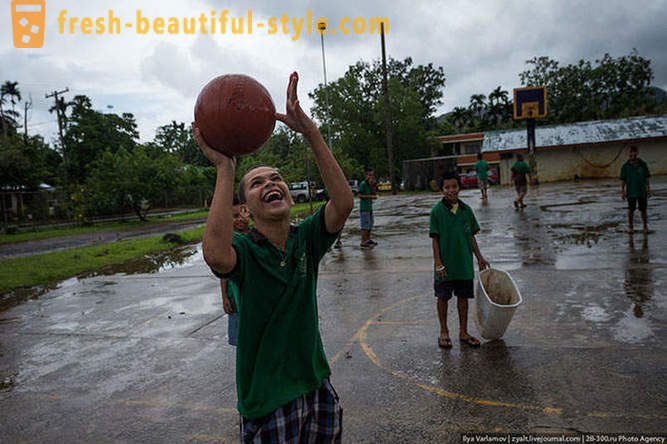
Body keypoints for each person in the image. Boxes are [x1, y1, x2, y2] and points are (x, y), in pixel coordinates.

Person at [193, 72, 353, 443]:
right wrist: (225, 168)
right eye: (257, 183)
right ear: (246, 208)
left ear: (289, 196)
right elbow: (216, 255)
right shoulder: (246, 252)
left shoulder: (306, 241)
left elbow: (343, 203)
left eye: (276, 178)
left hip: (316, 386)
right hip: (267, 400)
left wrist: (310, 132)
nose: (271, 184)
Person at [429, 171, 489, 349]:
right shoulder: (436, 212)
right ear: (442, 190)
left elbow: (471, 236)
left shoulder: (466, 211)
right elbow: (435, 240)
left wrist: (479, 257)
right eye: (447, 187)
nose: (451, 190)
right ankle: (444, 332)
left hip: (464, 265)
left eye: (454, 186)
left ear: (459, 188)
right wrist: (438, 263)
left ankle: (463, 332)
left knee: (463, 298)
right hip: (445, 267)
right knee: (443, 298)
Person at [220, 196, 249, 346]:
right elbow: (223, 273)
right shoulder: (228, 241)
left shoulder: (255, 237)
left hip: (253, 299)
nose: (240, 220)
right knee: (240, 343)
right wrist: (224, 296)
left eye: (244, 215)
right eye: (235, 216)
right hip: (235, 298)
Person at [620, 145, 651, 234]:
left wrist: (648, 189)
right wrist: (622, 192)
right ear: (628, 153)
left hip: (641, 191)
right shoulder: (625, 166)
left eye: (634, 152)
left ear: (637, 153)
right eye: (630, 152)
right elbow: (623, 180)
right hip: (630, 191)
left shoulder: (642, 164)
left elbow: (646, 178)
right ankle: (630, 227)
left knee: (643, 210)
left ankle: (645, 227)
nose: (632, 154)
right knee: (631, 210)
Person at [358, 168, 378, 249]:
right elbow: (359, 195)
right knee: (365, 225)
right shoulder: (363, 184)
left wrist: (373, 185)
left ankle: (368, 239)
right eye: (369, 175)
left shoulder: (370, 184)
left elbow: (374, 194)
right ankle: (363, 241)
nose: (371, 177)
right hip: (364, 208)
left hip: (370, 208)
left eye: (372, 175)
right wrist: (370, 196)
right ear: (366, 175)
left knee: (370, 224)